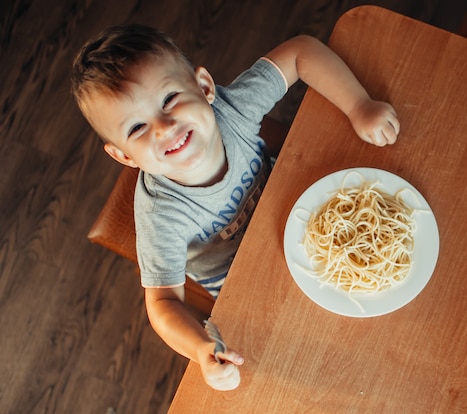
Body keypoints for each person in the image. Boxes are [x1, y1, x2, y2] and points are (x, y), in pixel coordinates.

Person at [71, 24, 400, 391]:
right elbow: (162, 302)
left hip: (308, 215)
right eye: (136, 128)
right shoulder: (160, 215)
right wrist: (200, 348)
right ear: (123, 156)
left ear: (205, 88)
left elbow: (300, 51)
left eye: (168, 100)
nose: (164, 128)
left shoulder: (233, 109)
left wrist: (359, 105)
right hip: (251, 281)